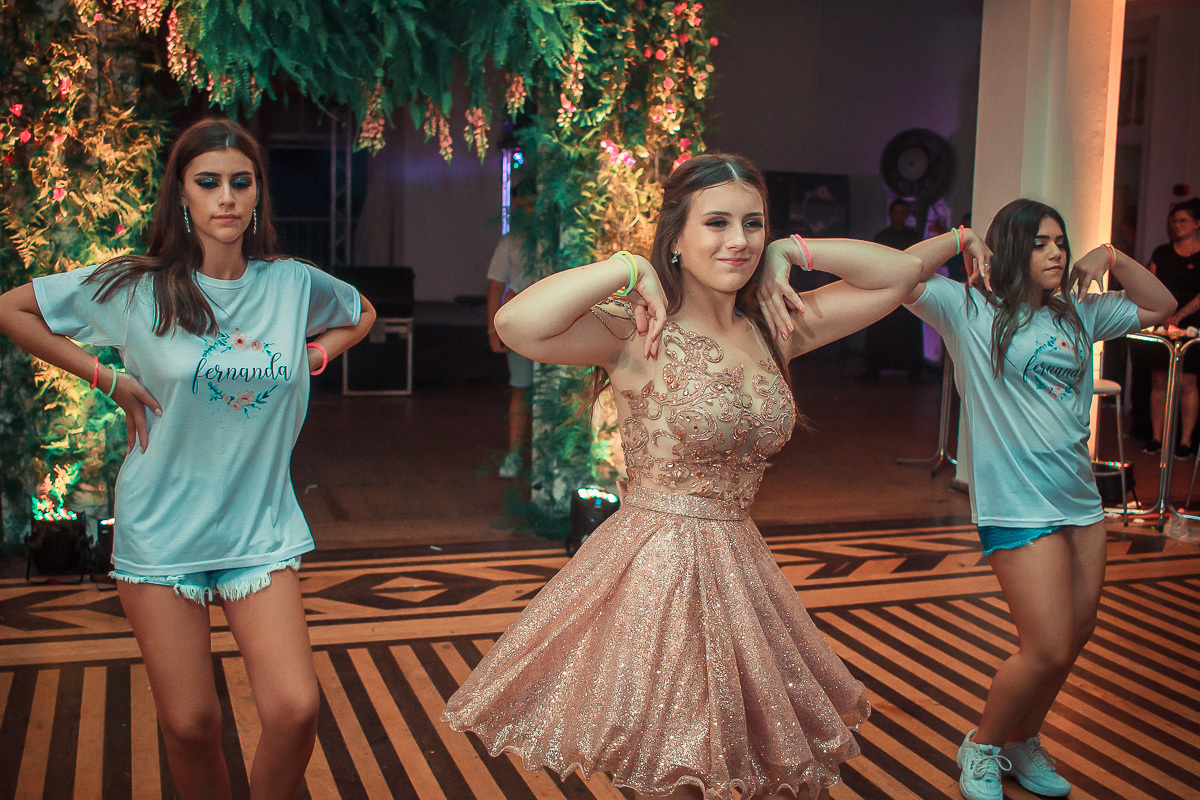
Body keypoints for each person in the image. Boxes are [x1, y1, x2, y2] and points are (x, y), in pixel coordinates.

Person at [444, 153, 969, 799]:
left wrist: (795, 250)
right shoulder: (638, 329)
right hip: (656, 574)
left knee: (734, 763)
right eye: (716, 223)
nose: (738, 240)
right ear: (677, 238)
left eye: (753, 224)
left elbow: (905, 275)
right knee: (679, 774)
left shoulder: (775, 325)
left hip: (741, 568)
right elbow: (514, 323)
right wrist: (628, 267)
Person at [0, 118, 377, 800]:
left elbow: (362, 313)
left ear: (257, 194)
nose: (226, 197)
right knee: (191, 724)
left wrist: (317, 353)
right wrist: (108, 378)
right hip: (162, 527)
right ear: (182, 195)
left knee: (295, 711)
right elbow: (12, 310)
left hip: (258, 526)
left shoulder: (292, 284)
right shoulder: (135, 287)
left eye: (240, 182)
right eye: (208, 183)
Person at [897, 199, 1173, 800]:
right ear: (1011, 249)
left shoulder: (1077, 313)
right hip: (1015, 503)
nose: (1056, 254)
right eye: (1041, 243)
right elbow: (902, 274)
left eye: (1061, 243)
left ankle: (1025, 742)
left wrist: (1114, 257)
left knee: (1075, 636)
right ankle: (982, 746)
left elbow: (1161, 306)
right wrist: (960, 239)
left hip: (1079, 500)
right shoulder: (969, 309)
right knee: (1046, 646)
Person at [1141, 197, 1200, 458]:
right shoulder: (1162, 253)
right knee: (1159, 380)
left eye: (1182, 221)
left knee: (1188, 381)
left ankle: (1185, 441)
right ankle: (1157, 437)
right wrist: (1163, 316)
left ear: (1197, 223)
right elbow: (1149, 284)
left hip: (1191, 326)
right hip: (1162, 324)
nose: (1177, 225)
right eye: (1174, 221)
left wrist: (1180, 315)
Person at [486, 229, 535, 478]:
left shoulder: (559, 235)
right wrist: (492, 329)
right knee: (520, 389)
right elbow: (496, 286)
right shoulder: (511, 241)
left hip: (559, 325)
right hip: (520, 325)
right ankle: (514, 454)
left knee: (554, 392)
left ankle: (547, 459)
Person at [863, 198, 926, 381]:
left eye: (902, 213)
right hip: (885, 290)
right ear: (890, 215)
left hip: (909, 291)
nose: (899, 217)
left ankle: (914, 373)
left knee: (910, 331)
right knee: (879, 328)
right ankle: (872, 370)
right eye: (896, 213)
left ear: (906, 216)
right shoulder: (881, 237)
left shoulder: (914, 238)